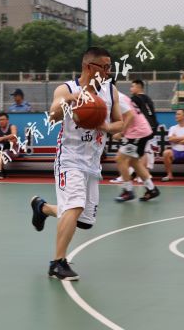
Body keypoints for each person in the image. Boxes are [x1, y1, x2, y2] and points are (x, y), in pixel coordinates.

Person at [29, 47, 123, 281]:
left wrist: (107, 127)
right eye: (105, 67)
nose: (109, 72)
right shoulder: (67, 89)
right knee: (75, 205)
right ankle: (57, 263)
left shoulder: (110, 91)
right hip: (69, 159)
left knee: (84, 221)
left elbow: (120, 123)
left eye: (110, 67)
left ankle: (42, 208)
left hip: (93, 163)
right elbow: (53, 115)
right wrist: (68, 102)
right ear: (89, 67)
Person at [114, 91, 160, 202]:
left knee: (120, 158)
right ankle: (151, 189)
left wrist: (121, 133)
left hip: (137, 132)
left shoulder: (118, 97)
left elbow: (130, 115)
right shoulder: (117, 96)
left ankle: (128, 190)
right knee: (134, 162)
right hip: (141, 130)